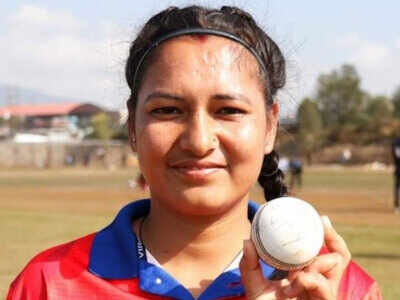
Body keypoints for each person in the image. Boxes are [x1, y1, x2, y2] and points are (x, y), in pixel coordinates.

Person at [8, 5, 382, 300]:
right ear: (132, 129)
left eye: (228, 111)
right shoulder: (49, 284)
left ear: (269, 126)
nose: (199, 141)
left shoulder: (340, 290)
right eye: (167, 110)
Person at [392, 137, 400, 213]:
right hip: (398, 168)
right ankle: (396, 205)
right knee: (397, 186)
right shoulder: (397, 142)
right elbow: (397, 155)